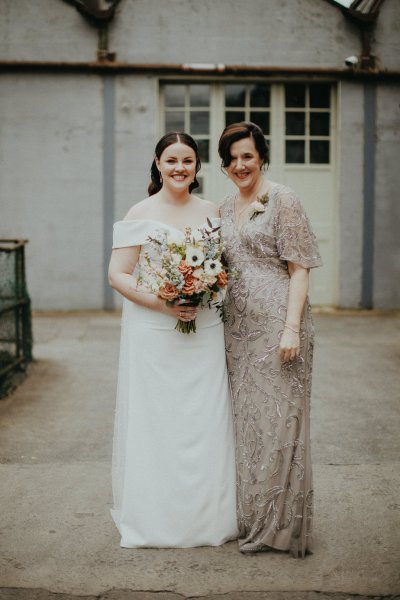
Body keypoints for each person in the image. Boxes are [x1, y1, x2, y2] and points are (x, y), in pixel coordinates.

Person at [108, 132, 238, 548]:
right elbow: (118, 274)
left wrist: (206, 289)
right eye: (172, 161)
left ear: (197, 166)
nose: (180, 168)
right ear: (158, 164)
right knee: (158, 424)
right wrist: (164, 304)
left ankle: (209, 520)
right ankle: (156, 521)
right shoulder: (140, 211)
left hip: (204, 333)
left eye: (188, 161)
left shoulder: (213, 211)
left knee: (205, 422)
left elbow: (224, 268)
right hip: (155, 335)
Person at [218, 122, 322, 558]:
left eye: (248, 155)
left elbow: (299, 268)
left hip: (280, 327)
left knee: (282, 423)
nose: (241, 165)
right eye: (232, 158)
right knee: (250, 427)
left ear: (262, 156)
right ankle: (254, 518)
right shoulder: (224, 208)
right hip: (237, 331)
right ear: (224, 164)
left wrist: (291, 328)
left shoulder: (282, 199)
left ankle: (280, 529)